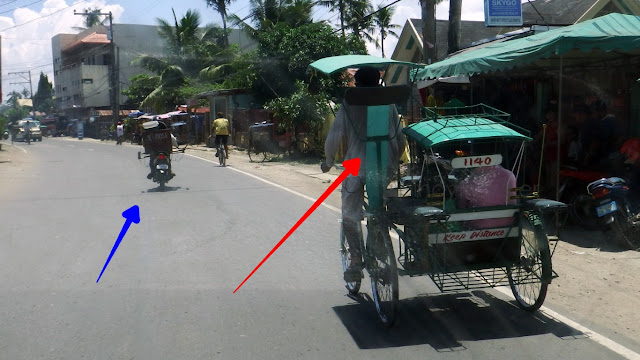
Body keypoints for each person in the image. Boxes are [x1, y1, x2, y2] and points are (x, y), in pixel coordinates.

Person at [321, 66, 406, 281]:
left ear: (356, 84)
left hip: (356, 168)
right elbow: (400, 135)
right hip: (384, 166)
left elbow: (335, 134)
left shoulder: (350, 101)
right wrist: (397, 160)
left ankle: (356, 260)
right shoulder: (389, 102)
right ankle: (377, 242)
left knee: (349, 213)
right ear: (378, 82)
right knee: (378, 209)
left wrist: (328, 161)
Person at [455, 164, 517, 229]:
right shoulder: (509, 175)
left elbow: (461, 210)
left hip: (479, 230)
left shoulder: (467, 182)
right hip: (509, 226)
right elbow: (512, 200)